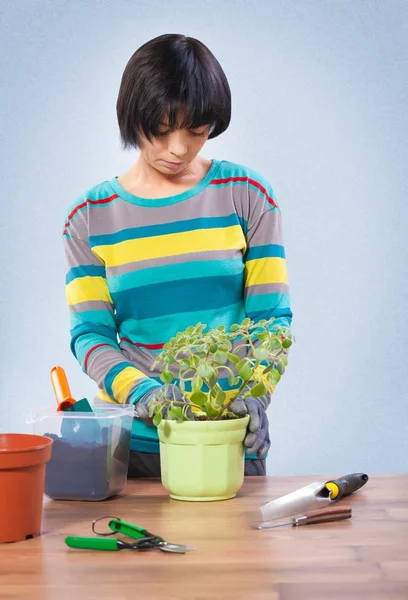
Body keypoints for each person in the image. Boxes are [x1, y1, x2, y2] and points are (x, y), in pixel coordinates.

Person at [62, 33, 293, 478]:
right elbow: (90, 335)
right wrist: (146, 395)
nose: (179, 148)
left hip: (225, 437)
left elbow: (272, 318)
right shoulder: (89, 218)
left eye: (196, 130)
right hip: (133, 444)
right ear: (133, 117)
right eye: (163, 130)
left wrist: (256, 394)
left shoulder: (247, 195)